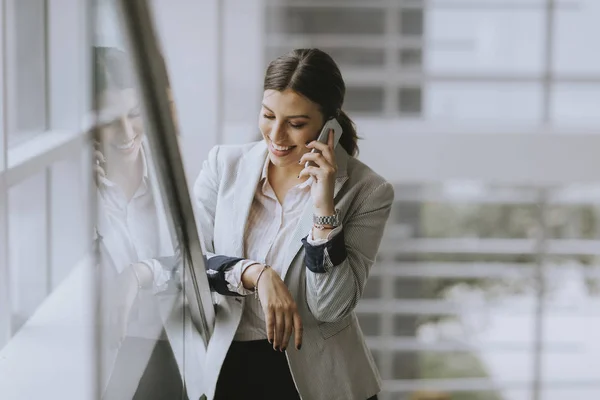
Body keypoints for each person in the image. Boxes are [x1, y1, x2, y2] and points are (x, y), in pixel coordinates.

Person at [193, 48, 394, 400]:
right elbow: (188, 262)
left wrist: (323, 209)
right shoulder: (223, 165)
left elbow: (331, 307)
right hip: (229, 364)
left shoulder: (368, 191)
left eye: (296, 124)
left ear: (328, 123)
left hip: (318, 379)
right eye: (268, 115)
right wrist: (256, 274)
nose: (276, 134)